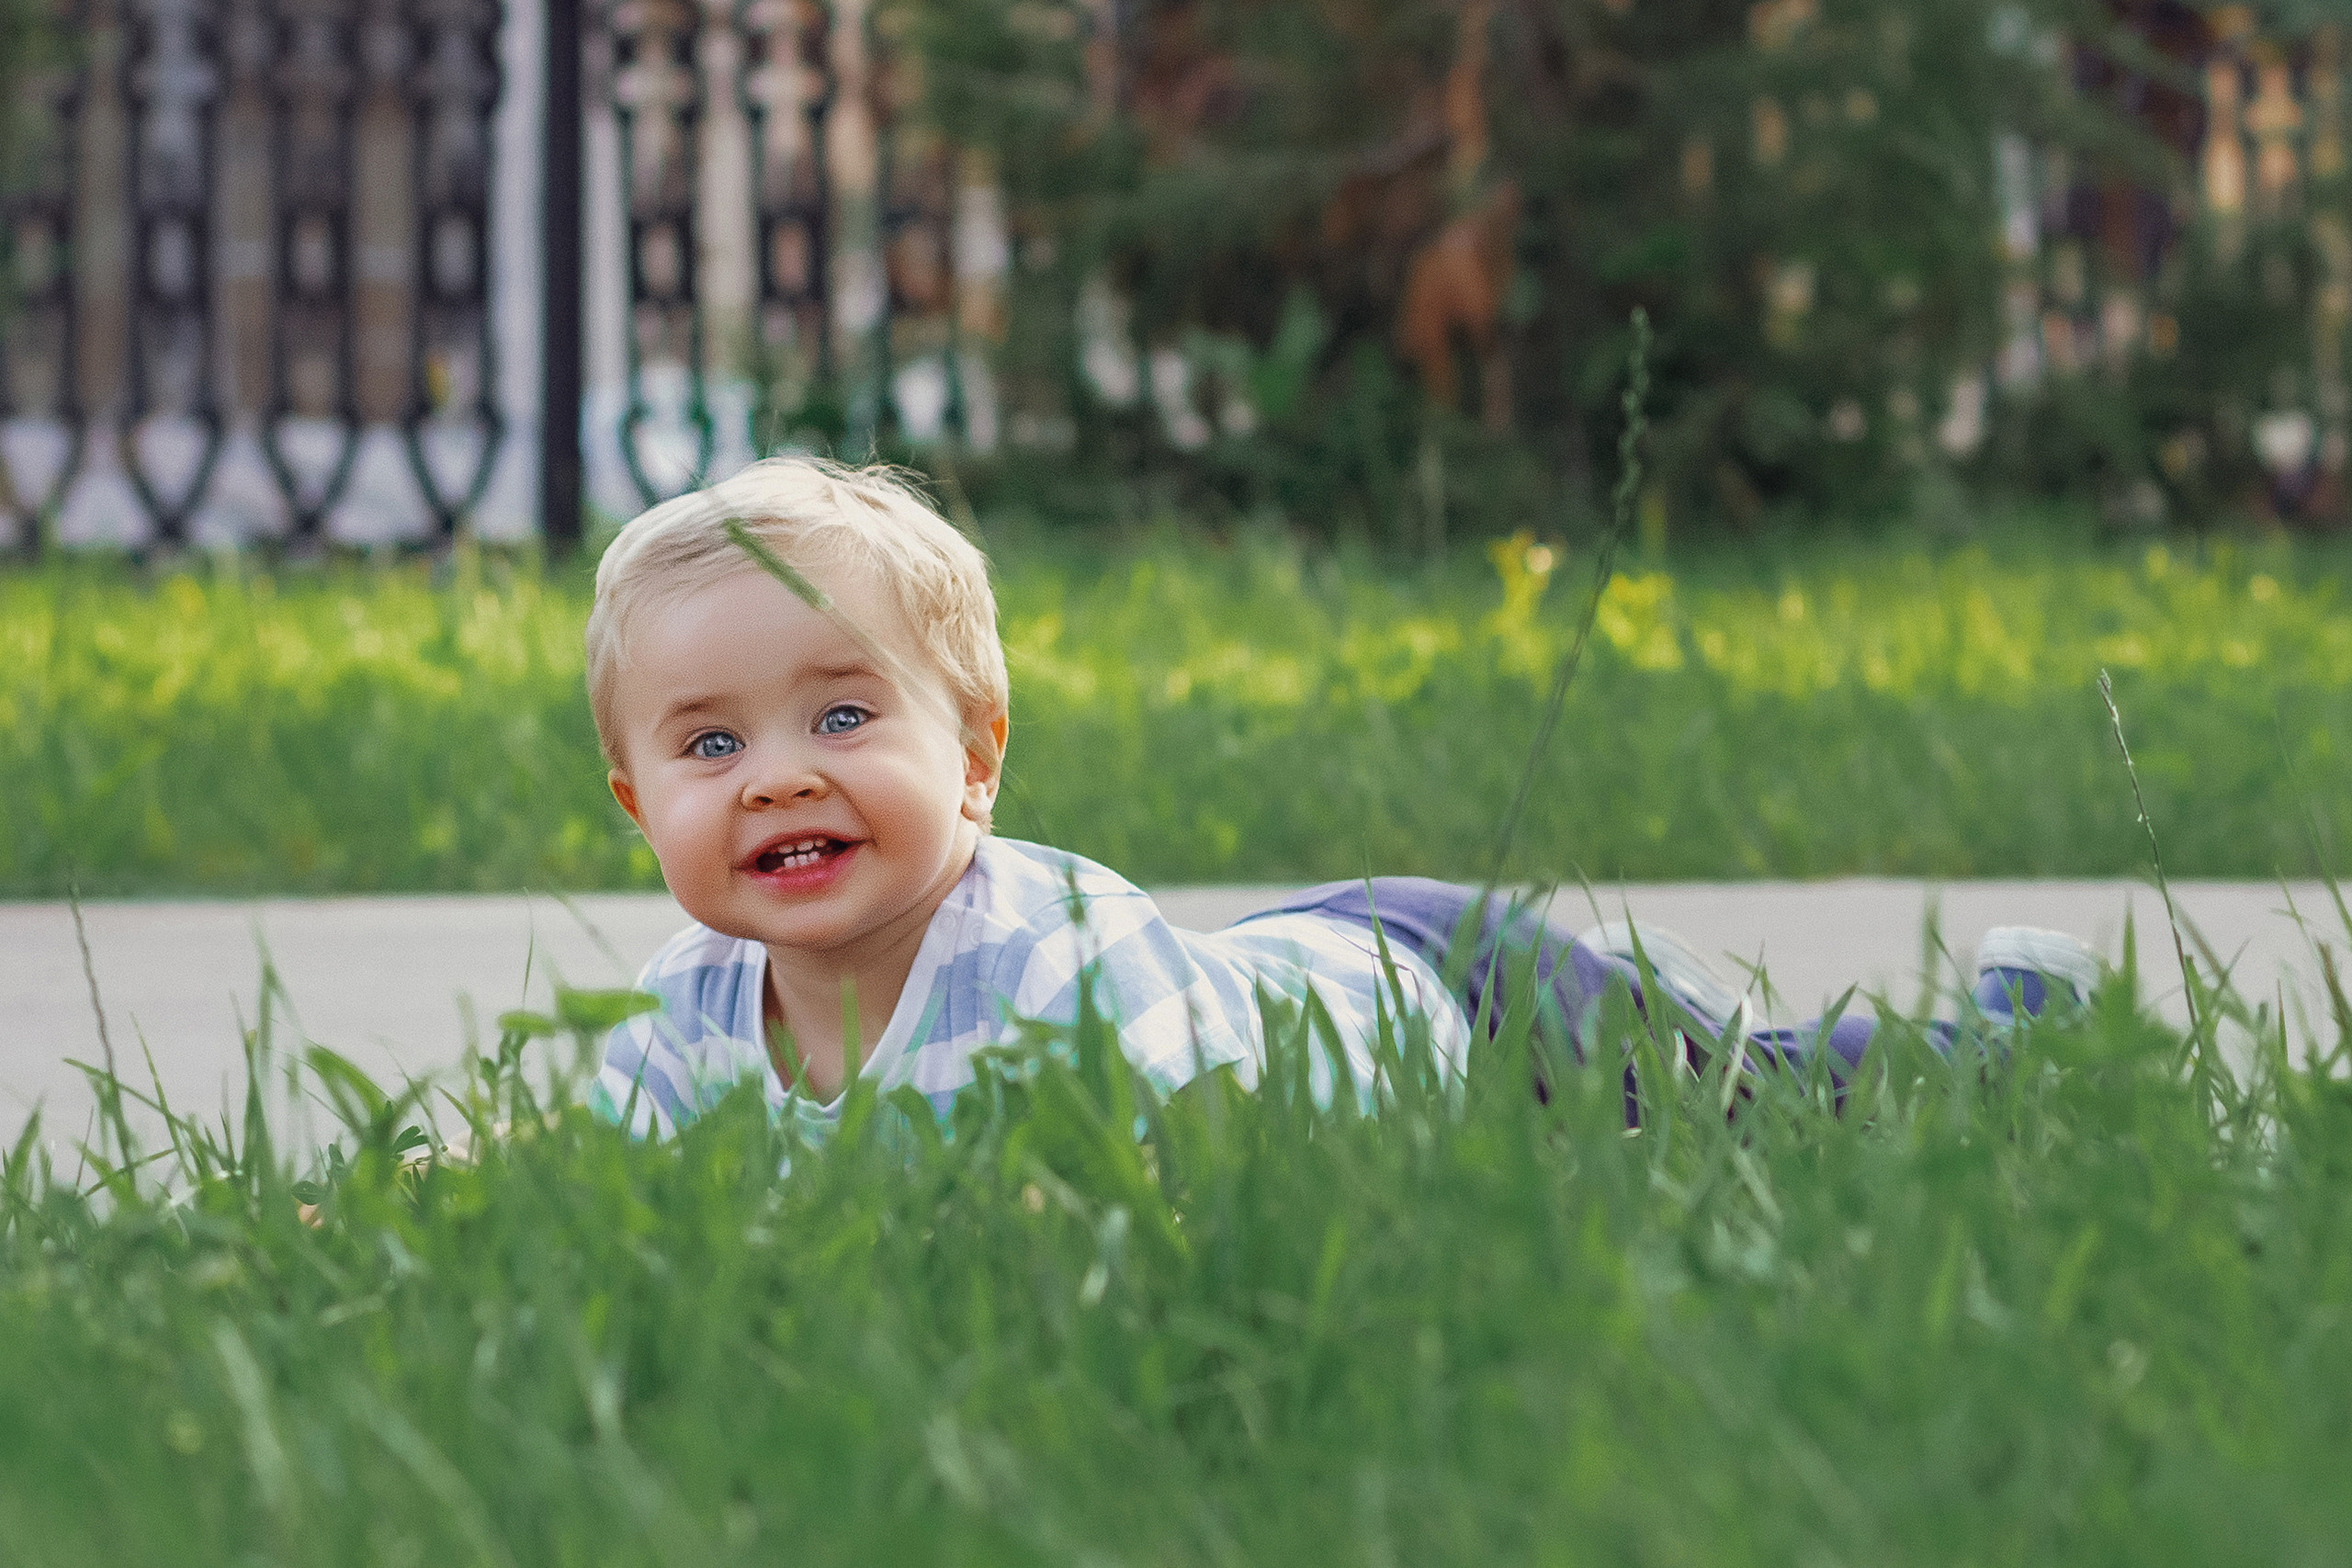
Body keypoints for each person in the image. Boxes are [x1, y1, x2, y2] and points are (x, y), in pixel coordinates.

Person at [583, 457, 2098, 1140]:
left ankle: (2013, 1050)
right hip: (1296, 958)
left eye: (844, 714)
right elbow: (621, 1211)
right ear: (640, 810)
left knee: (1741, 1113)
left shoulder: (1052, 951)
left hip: (1453, 1003)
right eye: (708, 748)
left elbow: (1220, 1179)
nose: (780, 772)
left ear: (977, 758)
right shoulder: (688, 1011)